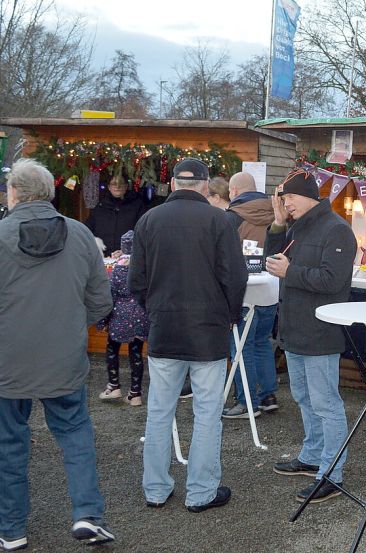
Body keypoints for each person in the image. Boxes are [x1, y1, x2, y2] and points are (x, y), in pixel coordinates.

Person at [0, 158, 116, 550]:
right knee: (76, 432)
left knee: (11, 441)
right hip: (64, 359)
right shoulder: (79, 235)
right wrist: (74, 331)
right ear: (48, 193)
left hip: (9, 359)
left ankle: (10, 528)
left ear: (13, 193)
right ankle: (87, 516)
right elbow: (100, 300)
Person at [129, 157, 247, 513]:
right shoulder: (218, 220)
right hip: (208, 332)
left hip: (164, 329)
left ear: (173, 184)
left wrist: (155, 311)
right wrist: (229, 316)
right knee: (207, 413)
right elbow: (235, 276)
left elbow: (136, 282)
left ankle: (155, 489)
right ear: (204, 185)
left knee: (159, 411)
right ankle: (200, 492)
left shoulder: (149, 220)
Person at [266, 169, 357, 503]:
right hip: (293, 328)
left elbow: (333, 281)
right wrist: (276, 225)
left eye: (288, 198)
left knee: (326, 403)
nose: (286, 204)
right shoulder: (296, 227)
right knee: (304, 398)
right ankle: (312, 456)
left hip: (320, 332)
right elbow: (272, 262)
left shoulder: (337, 231)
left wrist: (293, 272)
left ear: (306, 196)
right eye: (283, 199)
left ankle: (331, 474)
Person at [221, 171, 279, 418]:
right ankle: (268, 395)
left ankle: (247, 402)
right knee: (262, 343)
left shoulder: (232, 218)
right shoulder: (275, 213)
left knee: (241, 347)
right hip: (270, 290)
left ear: (233, 191)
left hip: (243, 292)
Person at [97, 230, 149, 406]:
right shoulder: (145, 265)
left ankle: (114, 385)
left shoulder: (117, 267)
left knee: (112, 349)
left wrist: (103, 321)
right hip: (140, 315)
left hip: (119, 315)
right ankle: (135, 393)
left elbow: (109, 295)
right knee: (136, 353)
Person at [86, 173, 145, 257]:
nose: (117, 187)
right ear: (109, 187)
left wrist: (128, 250)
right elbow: (87, 230)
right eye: (114, 184)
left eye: (121, 183)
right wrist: (96, 244)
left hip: (129, 258)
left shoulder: (137, 206)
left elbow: (142, 232)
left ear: (126, 186)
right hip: (104, 258)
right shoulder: (100, 207)